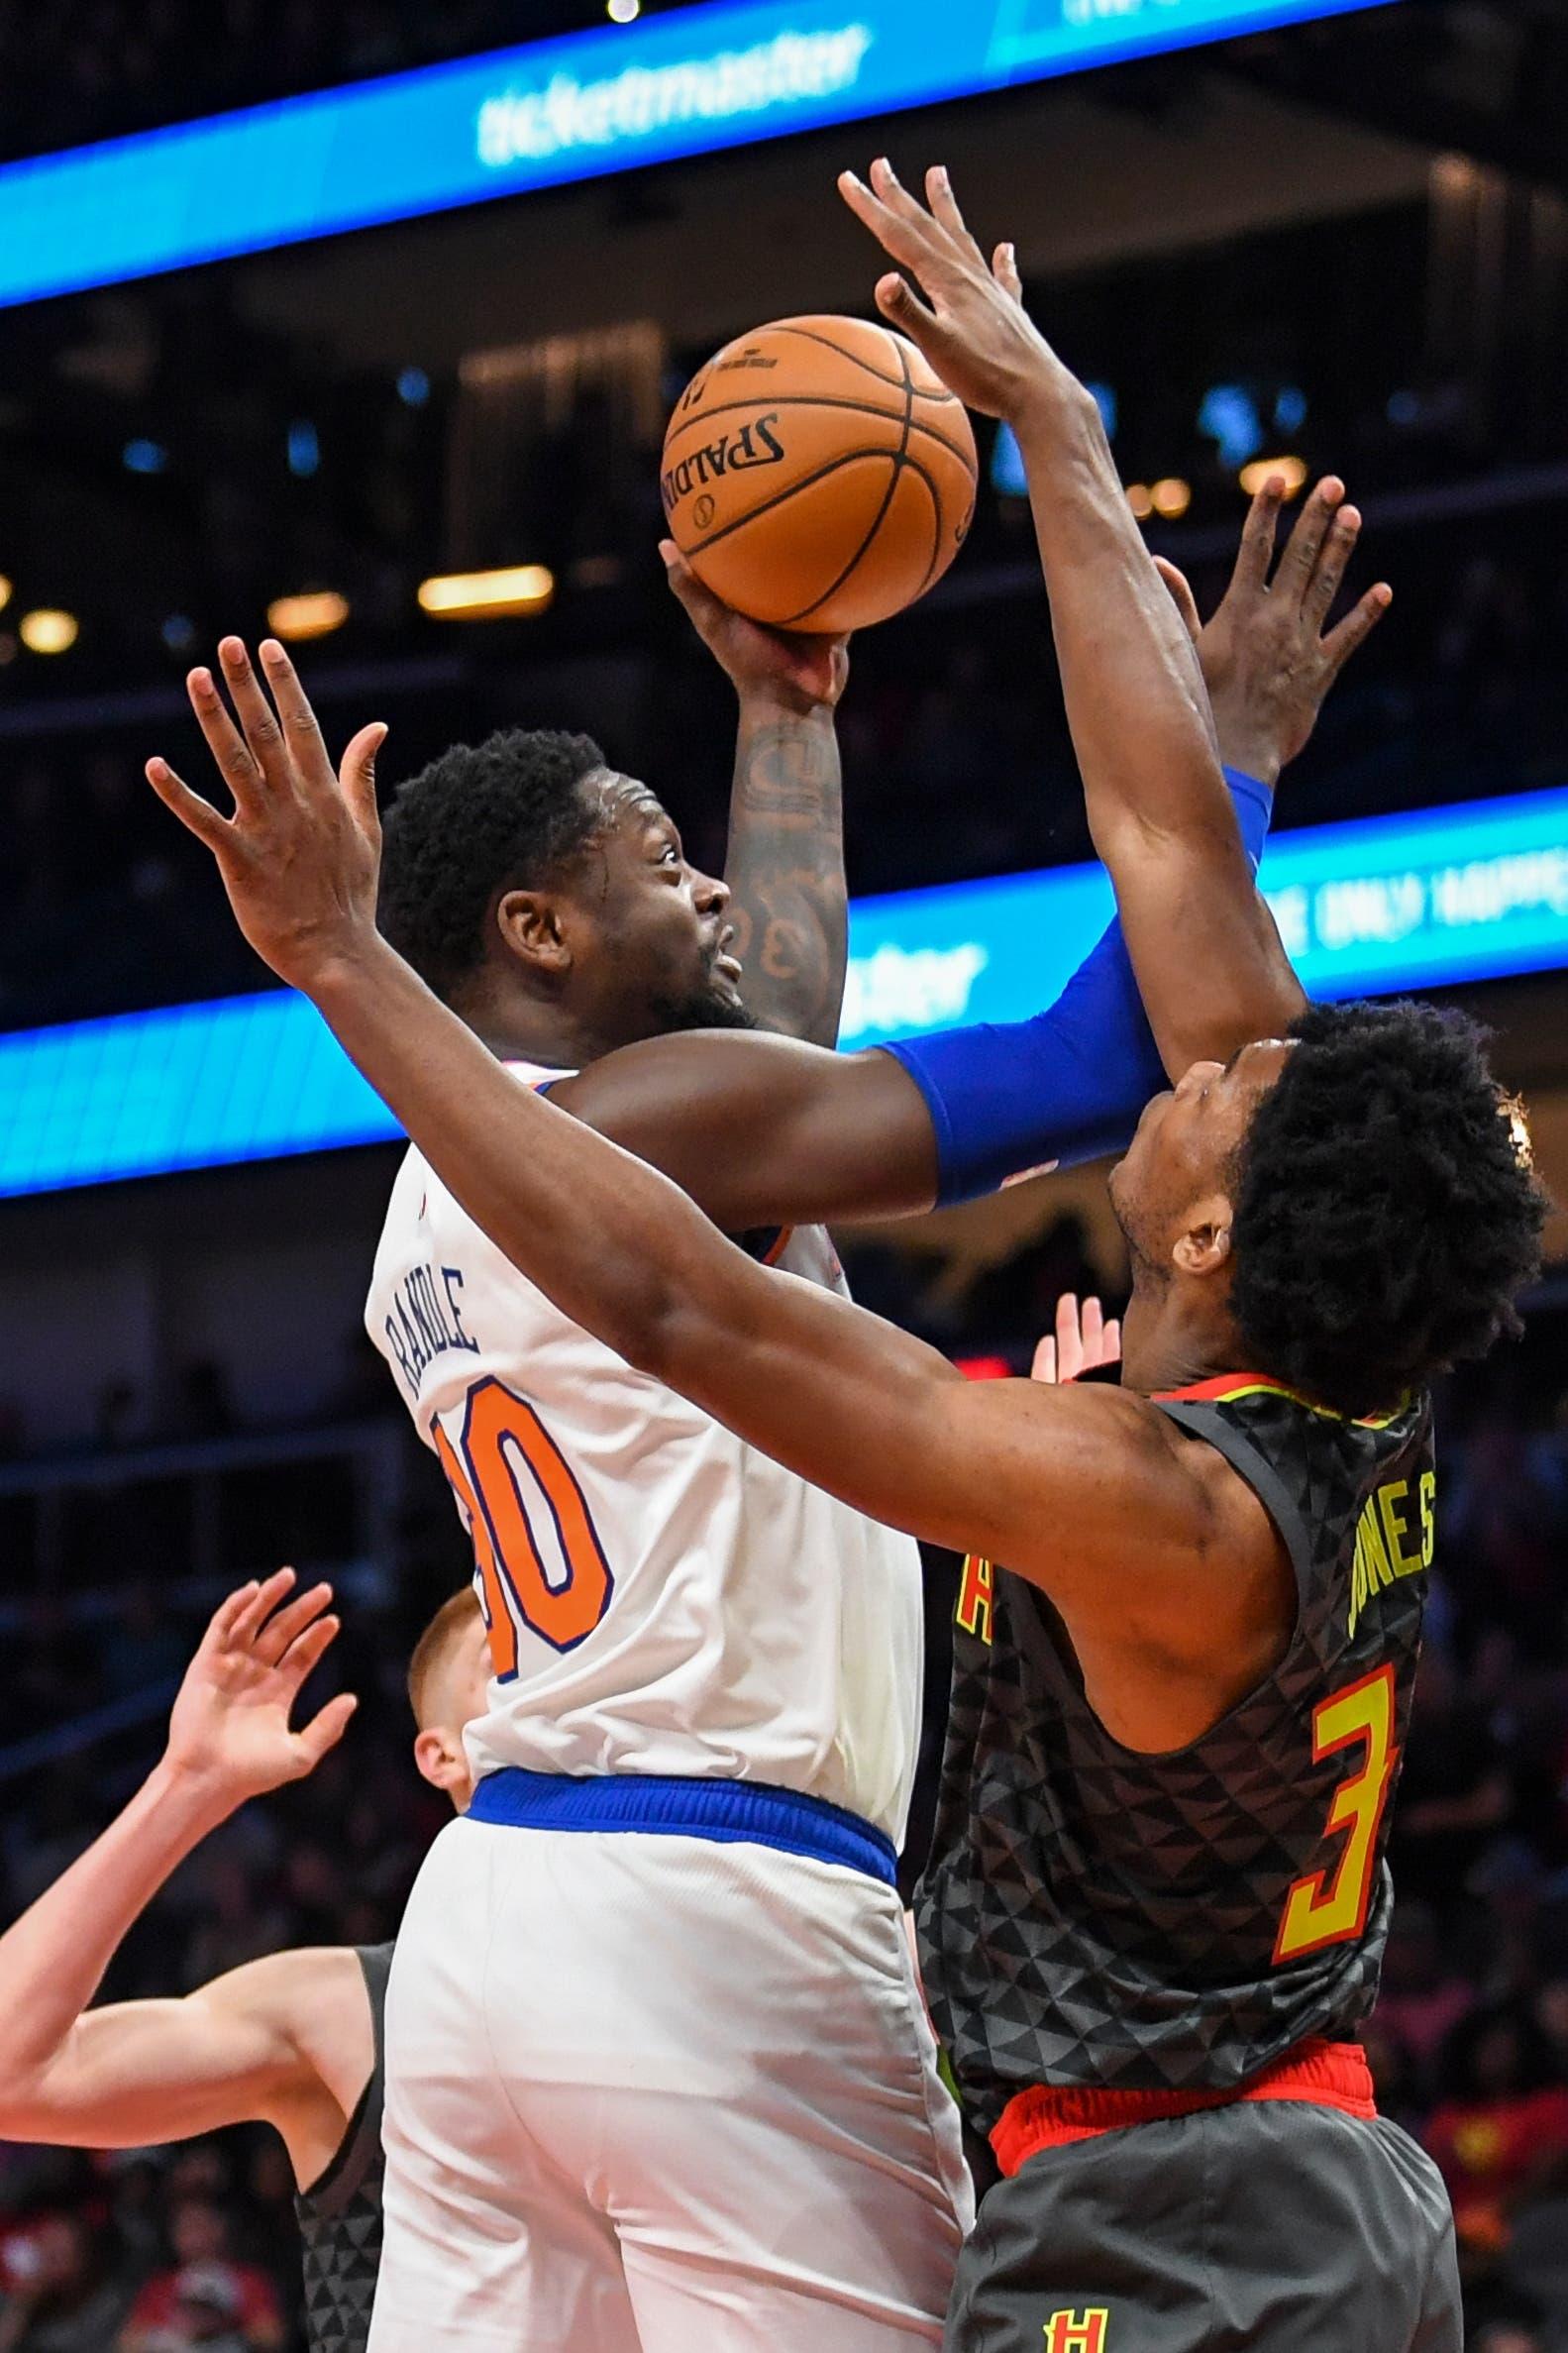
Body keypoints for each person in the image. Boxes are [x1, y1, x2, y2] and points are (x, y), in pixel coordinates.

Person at [145, 163, 1411, 2351]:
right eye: (654, 865)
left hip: (494, 1922)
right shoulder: (637, 1131)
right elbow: (1099, 1042)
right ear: (531, 936)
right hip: (724, 1896)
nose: (710, 900)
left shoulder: (464, 1184)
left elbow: (771, 1052)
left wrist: (789, 709)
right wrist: (1225, 768)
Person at [0, 1570, 492, 2353]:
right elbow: (10, 2069)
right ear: (444, 1757)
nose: (557, 1693)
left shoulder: (716, 1960)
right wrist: (187, 1785)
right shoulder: (350, 2005)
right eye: (508, 1665)